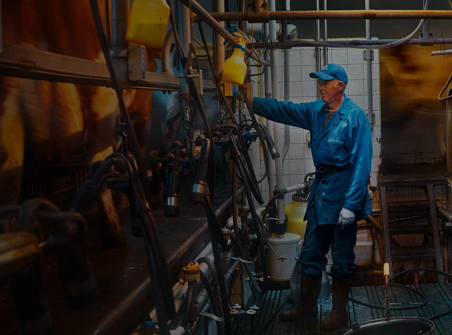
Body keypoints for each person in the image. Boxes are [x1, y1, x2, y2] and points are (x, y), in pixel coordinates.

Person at [252, 63, 373, 330]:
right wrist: (251, 101)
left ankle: (339, 313)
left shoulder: (355, 117)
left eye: (325, 82)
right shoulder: (315, 111)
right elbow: (285, 110)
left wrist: (351, 206)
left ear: (339, 85)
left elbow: (362, 165)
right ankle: (306, 306)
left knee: (341, 258)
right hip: (321, 194)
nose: (320, 86)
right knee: (310, 253)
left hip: (344, 193)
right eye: (319, 81)